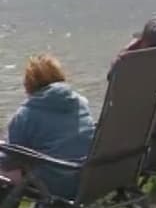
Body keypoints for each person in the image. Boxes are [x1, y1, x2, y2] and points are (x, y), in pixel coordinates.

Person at [0, 55, 95, 200]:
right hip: (88, 177)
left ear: (29, 84)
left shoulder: (26, 114)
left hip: (58, 184)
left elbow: (9, 162)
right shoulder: (80, 103)